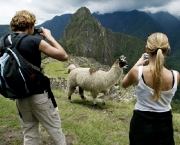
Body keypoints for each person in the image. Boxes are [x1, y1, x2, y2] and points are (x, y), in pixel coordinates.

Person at [5, 10, 68, 145]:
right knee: (55, 132)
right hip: (39, 95)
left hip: (20, 95)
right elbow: (63, 56)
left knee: (29, 134)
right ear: (30, 25)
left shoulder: (4, 41)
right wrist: (49, 37)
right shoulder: (34, 41)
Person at [121, 32, 179, 145]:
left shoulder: (137, 72)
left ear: (147, 49)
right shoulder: (175, 75)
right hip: (165, 125)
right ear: (166, 51)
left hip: (141, 125)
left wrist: (138, 64)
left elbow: (124, 84)